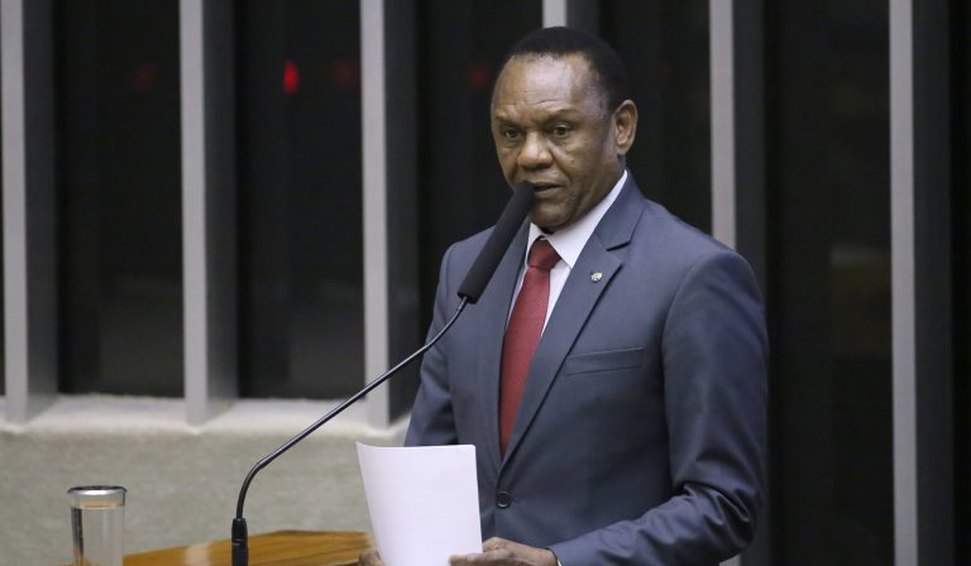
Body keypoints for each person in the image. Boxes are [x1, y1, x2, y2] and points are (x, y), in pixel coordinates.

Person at [361, 26, 767, 565]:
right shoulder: (469, 266)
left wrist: (556, 561)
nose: (531, 156)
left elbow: (722, 506)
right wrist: (406, 549)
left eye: (559, 130)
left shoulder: (694, 275)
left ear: (621, 128)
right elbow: (432, 463)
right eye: (510, 134)